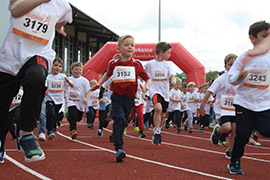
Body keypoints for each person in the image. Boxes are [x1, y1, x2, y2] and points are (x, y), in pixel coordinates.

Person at [0, 0, 72, 163]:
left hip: (39, 54)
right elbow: (15, 10)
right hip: (9, 59)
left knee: (37, 77)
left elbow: (61, 20)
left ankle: (26, 132)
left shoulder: (63, 5)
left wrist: (58, 27)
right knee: (3, 108)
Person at [91, 35, 151, 162]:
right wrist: (99, 83)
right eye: (126, 44)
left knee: (124, 121)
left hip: (130, 98)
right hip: (117, 96)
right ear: (119, 48)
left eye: (132, 45)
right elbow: (107, 75)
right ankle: (119, 148)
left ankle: (117, 138)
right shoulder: (113, 63)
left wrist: (146, 87)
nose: (130, 47)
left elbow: (147, 79)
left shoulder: (136, 64)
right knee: (118, 118)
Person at [227, 21, 270, 175]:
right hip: (244, 102)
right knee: (243, 134)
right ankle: (235, 161)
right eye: (264, 36)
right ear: (252, 38)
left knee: (267, 130)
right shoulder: (245, 57)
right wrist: (241, 75)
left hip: (264, 104)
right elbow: (231, 79)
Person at [200, 53, 238, 160]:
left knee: (235, 130)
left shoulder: (240, 79)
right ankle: (217, 130)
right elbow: (209, 91)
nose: (232, 67)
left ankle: (230, 150)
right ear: (225, 67)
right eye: (230, 65)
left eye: (235, 65)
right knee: (227, 128)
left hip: (235, 108)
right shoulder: (222, 79)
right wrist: (202, 105)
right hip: (223, 110)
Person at [144, 42, 176, 145]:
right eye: (168, 53)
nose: (169, 55)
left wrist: (173, 80)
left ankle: (158, 128)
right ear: (161, 52)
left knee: (162, 114)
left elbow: (172, 75)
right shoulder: (149, 64)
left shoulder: (168, 64)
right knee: (158, 108)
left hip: (165, 92)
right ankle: (157, 132)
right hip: (154, 90)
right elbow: (141, 74)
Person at [45, 57, 74, 140]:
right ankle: (50, 131)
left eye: (60, 66)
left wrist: (68, 81)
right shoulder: (48, 77)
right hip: (50, 99)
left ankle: (55, 124)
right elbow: (44, 86)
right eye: (55, 65)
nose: (58, 67)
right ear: (51, 66)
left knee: (59, 116)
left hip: (60, 100)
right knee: (51, 114)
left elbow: (72, 85)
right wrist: (46, 90)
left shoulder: (63, 76)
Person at [66, 62, 90, 139]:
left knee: (78, 118)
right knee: (73, 114)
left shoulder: (84, 81)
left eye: (79, 70)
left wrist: (86, 98)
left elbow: (87, 91)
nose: (78, 71)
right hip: (71, 100)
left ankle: (69, 116)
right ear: (71, 70)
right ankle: (73, 130)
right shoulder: (68, 79)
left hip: (80, 102)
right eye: (76, 69)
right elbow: (64, 88)